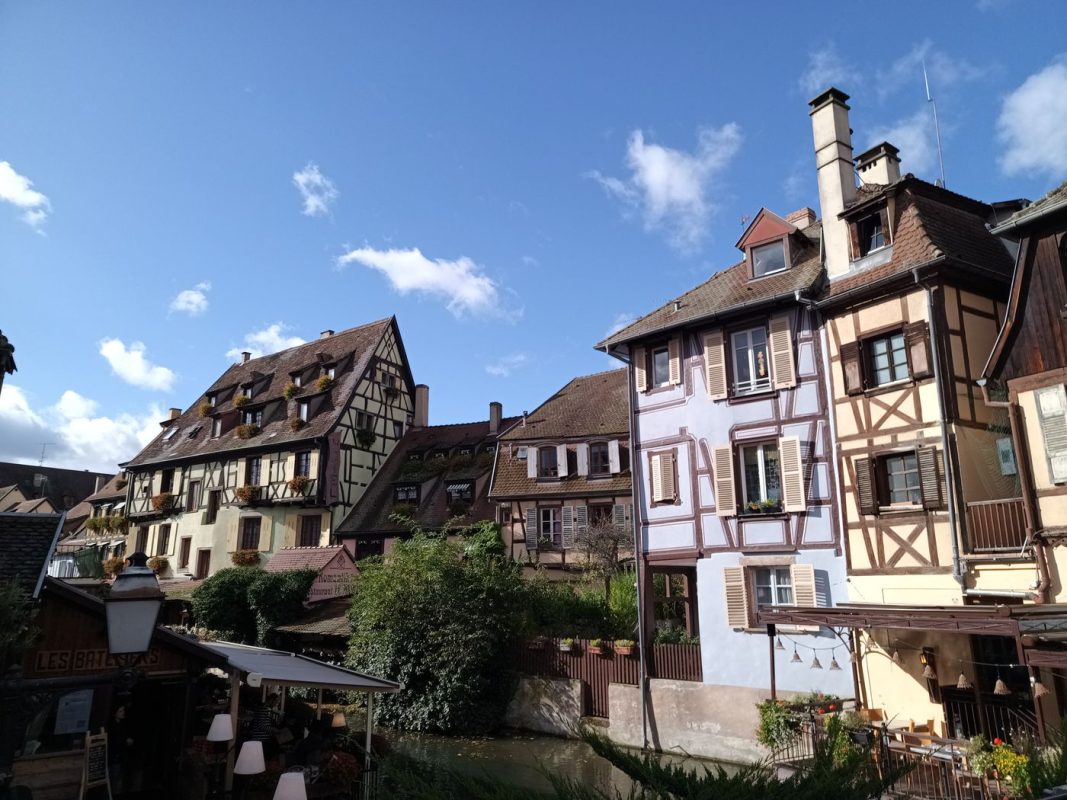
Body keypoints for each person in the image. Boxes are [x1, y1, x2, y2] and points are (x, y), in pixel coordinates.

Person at [107, 704, 134, 795]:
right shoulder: (111, 726)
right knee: (112, 781)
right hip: (113, 757)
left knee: (116, 780)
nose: (123, 713)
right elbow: (114, 741)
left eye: (123, 711)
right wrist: (125, 741)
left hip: (119, 757)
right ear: (115, 713)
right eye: (120, 711)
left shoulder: (122, 725)